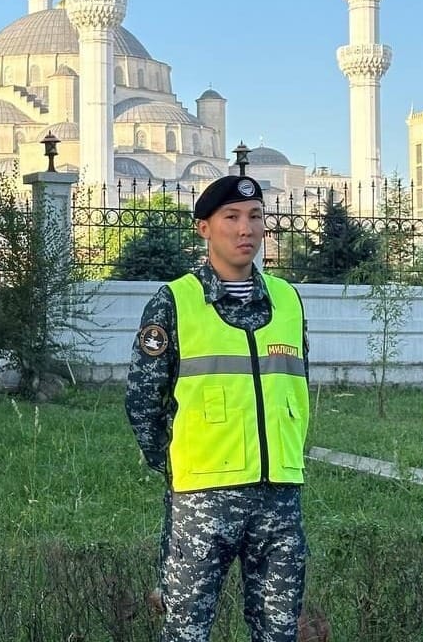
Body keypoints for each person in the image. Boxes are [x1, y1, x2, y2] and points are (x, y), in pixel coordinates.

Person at [126, 175, 310, 642]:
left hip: (279, 496)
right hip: (203, 499)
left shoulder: (287, 301)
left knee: (279, 631)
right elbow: (143, 401)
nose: (245, 228)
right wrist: (176, 464)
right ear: (204, 228)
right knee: (186, 629)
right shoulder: (175, 302)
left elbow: (298, 388)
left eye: (255, 216)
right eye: (231, 217)